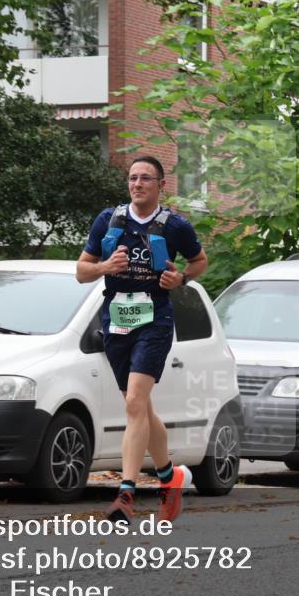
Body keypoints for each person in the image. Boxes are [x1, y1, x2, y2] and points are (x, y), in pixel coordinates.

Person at [76, 156, 208, 524]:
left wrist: (180, 278)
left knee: (135, 401)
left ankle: (126, 492)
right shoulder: (109, 220)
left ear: (160, 185)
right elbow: (81, 271)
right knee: (141, 408)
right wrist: (104, 267)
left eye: (145, 178)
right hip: (117, 318)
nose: (137, 184)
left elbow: (199, 261)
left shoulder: (174, 225)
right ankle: (171, 477)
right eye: (132, 178)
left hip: (155, 318)